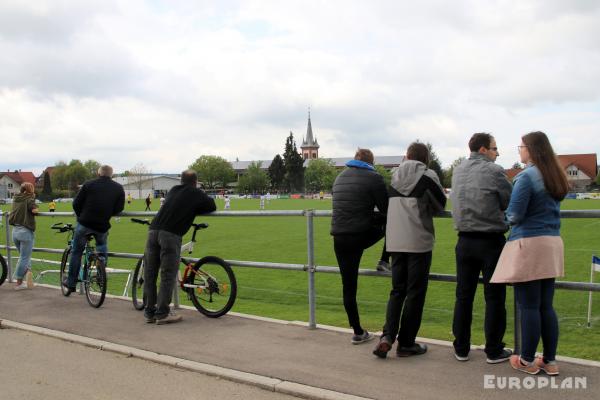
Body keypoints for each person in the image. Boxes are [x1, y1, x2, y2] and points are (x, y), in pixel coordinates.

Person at [491, 131, 569, 375]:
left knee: (528, 306)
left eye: (521, 146)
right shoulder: (554, 174)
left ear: (532, 150)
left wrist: (498, 218)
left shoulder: (526, 177)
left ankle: (526, 360)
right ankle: (550, 360)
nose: (519, 150)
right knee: (546, 305)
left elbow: (514, 215)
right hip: (552, 241)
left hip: (530, 243)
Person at [372, 142, 446, 358]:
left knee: (397, 291)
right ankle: (406, 344)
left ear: (407, 156)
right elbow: (440, 204)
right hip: (418, 240)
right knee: (415, 293)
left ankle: (387, 336)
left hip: (395, 241)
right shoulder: (428, 176)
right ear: (426, 158)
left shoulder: (394, 175)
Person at [450, 132, 513, 364]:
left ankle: (461, 348)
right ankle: (494, 350)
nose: (497, 153)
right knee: (494, 297)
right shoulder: (494, 171)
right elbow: (509, 201)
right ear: (484, 149)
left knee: (463, 296)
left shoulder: (458, 169)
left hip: (464, 241)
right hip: (490, 241)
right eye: (495, 149)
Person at [143, 170, 216, 324]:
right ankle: (162, 313)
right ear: (195, 182)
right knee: (168, 274)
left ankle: (149, 312)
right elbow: (211, 205)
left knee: (150, 273)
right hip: (170, 234)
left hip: (153, 231)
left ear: (181, 180)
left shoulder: (173, 190)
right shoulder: (195, 193)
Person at [331, 148, 388, 344]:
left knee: (348, 285)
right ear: (371, 162)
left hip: (338, 236)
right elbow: (387, 209)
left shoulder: (340, 177)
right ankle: (384, 260)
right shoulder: (374, 177)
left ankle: (357, 331)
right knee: (392, 224)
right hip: (359, 234)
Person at [63, 165, 125, 294]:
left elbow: (76, 204)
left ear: (99, 173)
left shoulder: (88, 184)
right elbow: (119, 209)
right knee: (102, 247)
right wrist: (106, 213)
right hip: (102, 225)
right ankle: (100, 274)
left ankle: (71, 283)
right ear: (111, 175)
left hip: (84, 223)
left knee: (76, 252)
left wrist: (81, 215)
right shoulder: (118, 188)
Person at [8, 182, 38, 290]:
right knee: (24, 257)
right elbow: (34, 210)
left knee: (23, 256)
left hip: (15, 231)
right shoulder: (29, 199)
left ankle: (28, 272)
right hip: (25, 232)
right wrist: (36, 209)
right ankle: (19, 282)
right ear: (30, 189)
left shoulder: (16, 198)